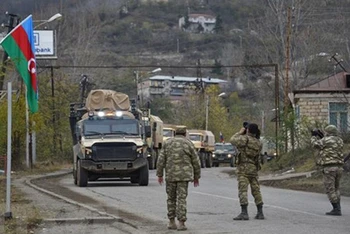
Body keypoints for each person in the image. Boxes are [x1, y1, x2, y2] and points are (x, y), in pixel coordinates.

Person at [156, 126, 201, 231]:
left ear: (174, 133)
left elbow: (161, 160)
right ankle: (181, 223)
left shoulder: (167, 143)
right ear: (185, 134)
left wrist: (160, 175)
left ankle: (171, 222)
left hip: (170, 175)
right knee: (182, 199)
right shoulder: (188, 143)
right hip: (184, 176)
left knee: (171, 198)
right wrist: (196, 177)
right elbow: (196, 161)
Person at [230, 123, 264, 220]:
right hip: (253, 168)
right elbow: (258, 157)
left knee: (243, 190)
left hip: (243, 168)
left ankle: (244, 212)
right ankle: (260, 212)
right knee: (256, 190)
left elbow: (232, 140)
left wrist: (240, 133)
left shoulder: (244, 139)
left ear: (248, 130)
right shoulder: (258, 142)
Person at [311, 124, 344, 216]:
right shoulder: (340, 140)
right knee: (336, 188)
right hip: (339, 167)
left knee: (330, 189)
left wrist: (314, 136)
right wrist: (321, 136)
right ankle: (338, 206)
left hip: (329, 167)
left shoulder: (325, 140)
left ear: (328, 132)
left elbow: (315, 145)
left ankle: (336, 208)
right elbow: (327, 144)